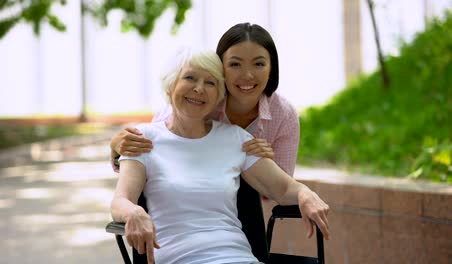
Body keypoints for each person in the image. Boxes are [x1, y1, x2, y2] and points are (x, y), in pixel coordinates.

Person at [112, 48, 330, 264]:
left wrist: (304, 193)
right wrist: (133, 212)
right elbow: (121, 200)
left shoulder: (235, 139)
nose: (199, 88)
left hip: (238, 257)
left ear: (219, 96)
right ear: (170, 86)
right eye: (190, 78)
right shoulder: (143, 139)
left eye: (211, 82)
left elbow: (282, 188)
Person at [110, 22, 299, 177]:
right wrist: (118, 148)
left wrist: (265, 164)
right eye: (235, 64)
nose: (247, 75)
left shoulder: (284, 115)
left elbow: (281, 193)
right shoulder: (197, 102)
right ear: (219, 68)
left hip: (251, 216)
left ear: (271, 68)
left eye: (259, 64)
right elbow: (152, 153)